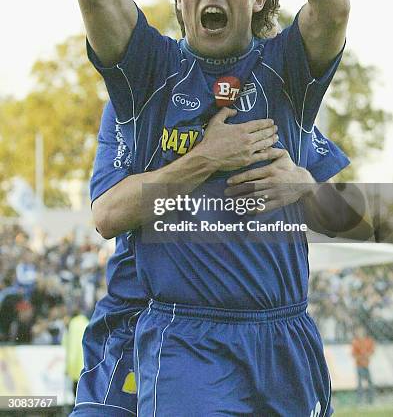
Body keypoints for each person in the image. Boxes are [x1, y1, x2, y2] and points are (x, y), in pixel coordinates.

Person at [75, 0, 351, 415]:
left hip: (284, 335)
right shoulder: (148, 75)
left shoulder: (286, 75)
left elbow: (333, 5)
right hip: (184, 336)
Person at [73, 100, 372, 416]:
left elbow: (355, 222)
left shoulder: (271, 105)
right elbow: (107, 215)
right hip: (143, 324)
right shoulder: (140, 100)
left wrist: (306, 187)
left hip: (264, 339)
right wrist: (206, 158)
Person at [351, 325, 376, 405]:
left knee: (370, 383)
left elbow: (372, 350)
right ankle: (360, 400)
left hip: (366, 365)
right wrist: (361, 356)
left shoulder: (368, 340)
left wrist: (366, 355)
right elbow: (354, 354)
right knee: (360, 384)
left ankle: (370, 400)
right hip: (359, 365)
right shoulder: (356, 342)